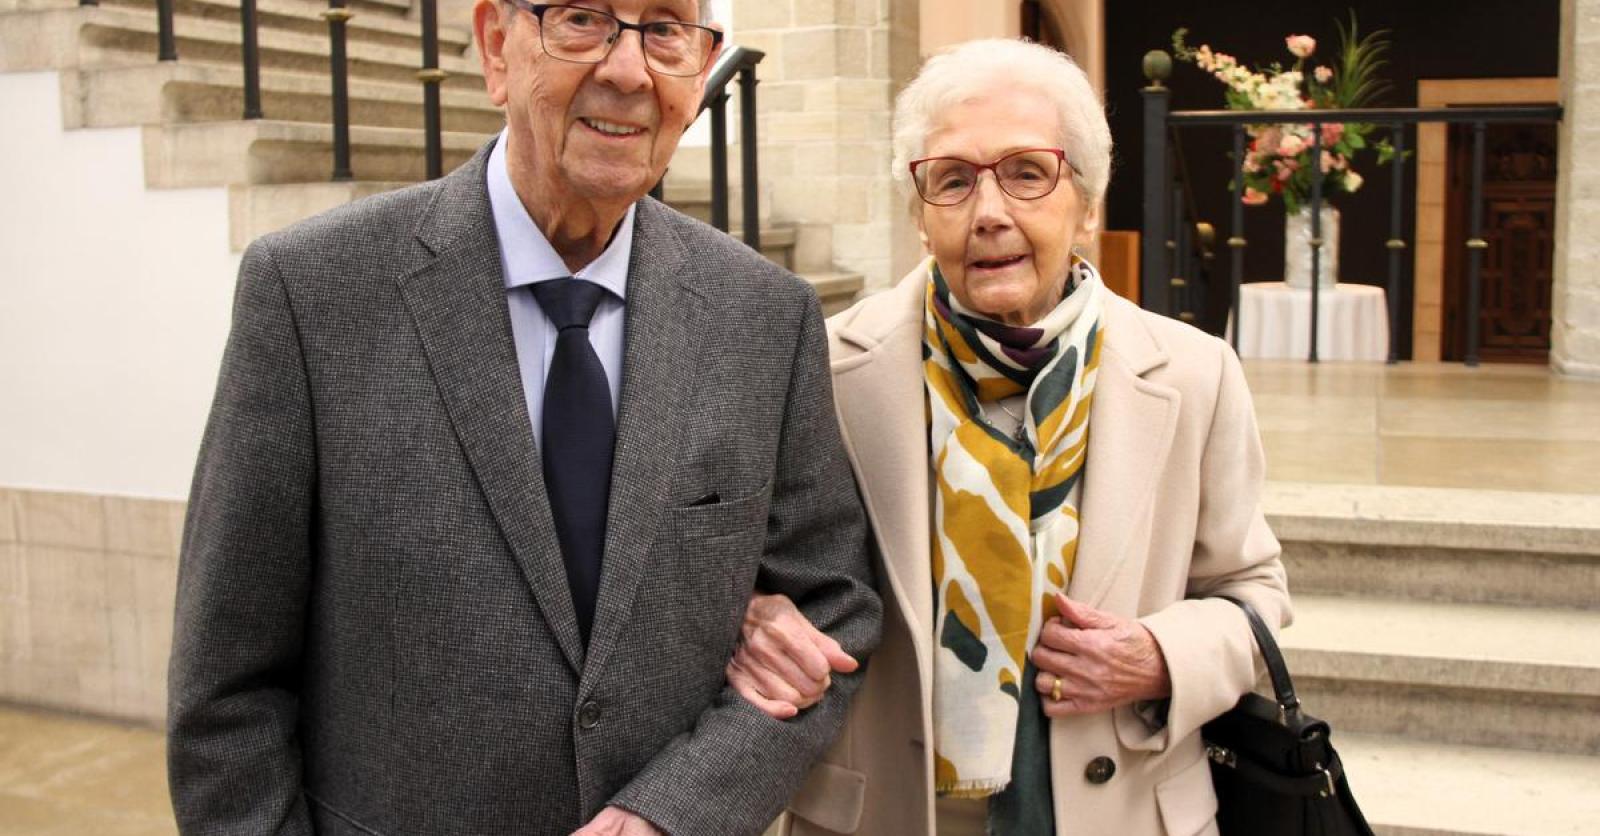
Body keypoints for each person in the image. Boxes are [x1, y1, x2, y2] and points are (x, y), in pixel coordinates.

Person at [165, 1, 881, 833]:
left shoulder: (764, 315)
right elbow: (226, 693)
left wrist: (677, 811)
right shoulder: (312, 293)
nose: (628, 69)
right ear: (496, 47)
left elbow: (834, 605)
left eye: (665, 29)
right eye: (582, 19)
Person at [724, 38, 1291, 836]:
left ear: (1086, 206)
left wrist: (1163, 657)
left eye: (1028, 173)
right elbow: (738, 571)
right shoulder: (825, 366)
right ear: (922, 217)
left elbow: (1254, 592)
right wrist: (753, 615)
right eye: (952, 180)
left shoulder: (1195, 375)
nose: (989, 212)